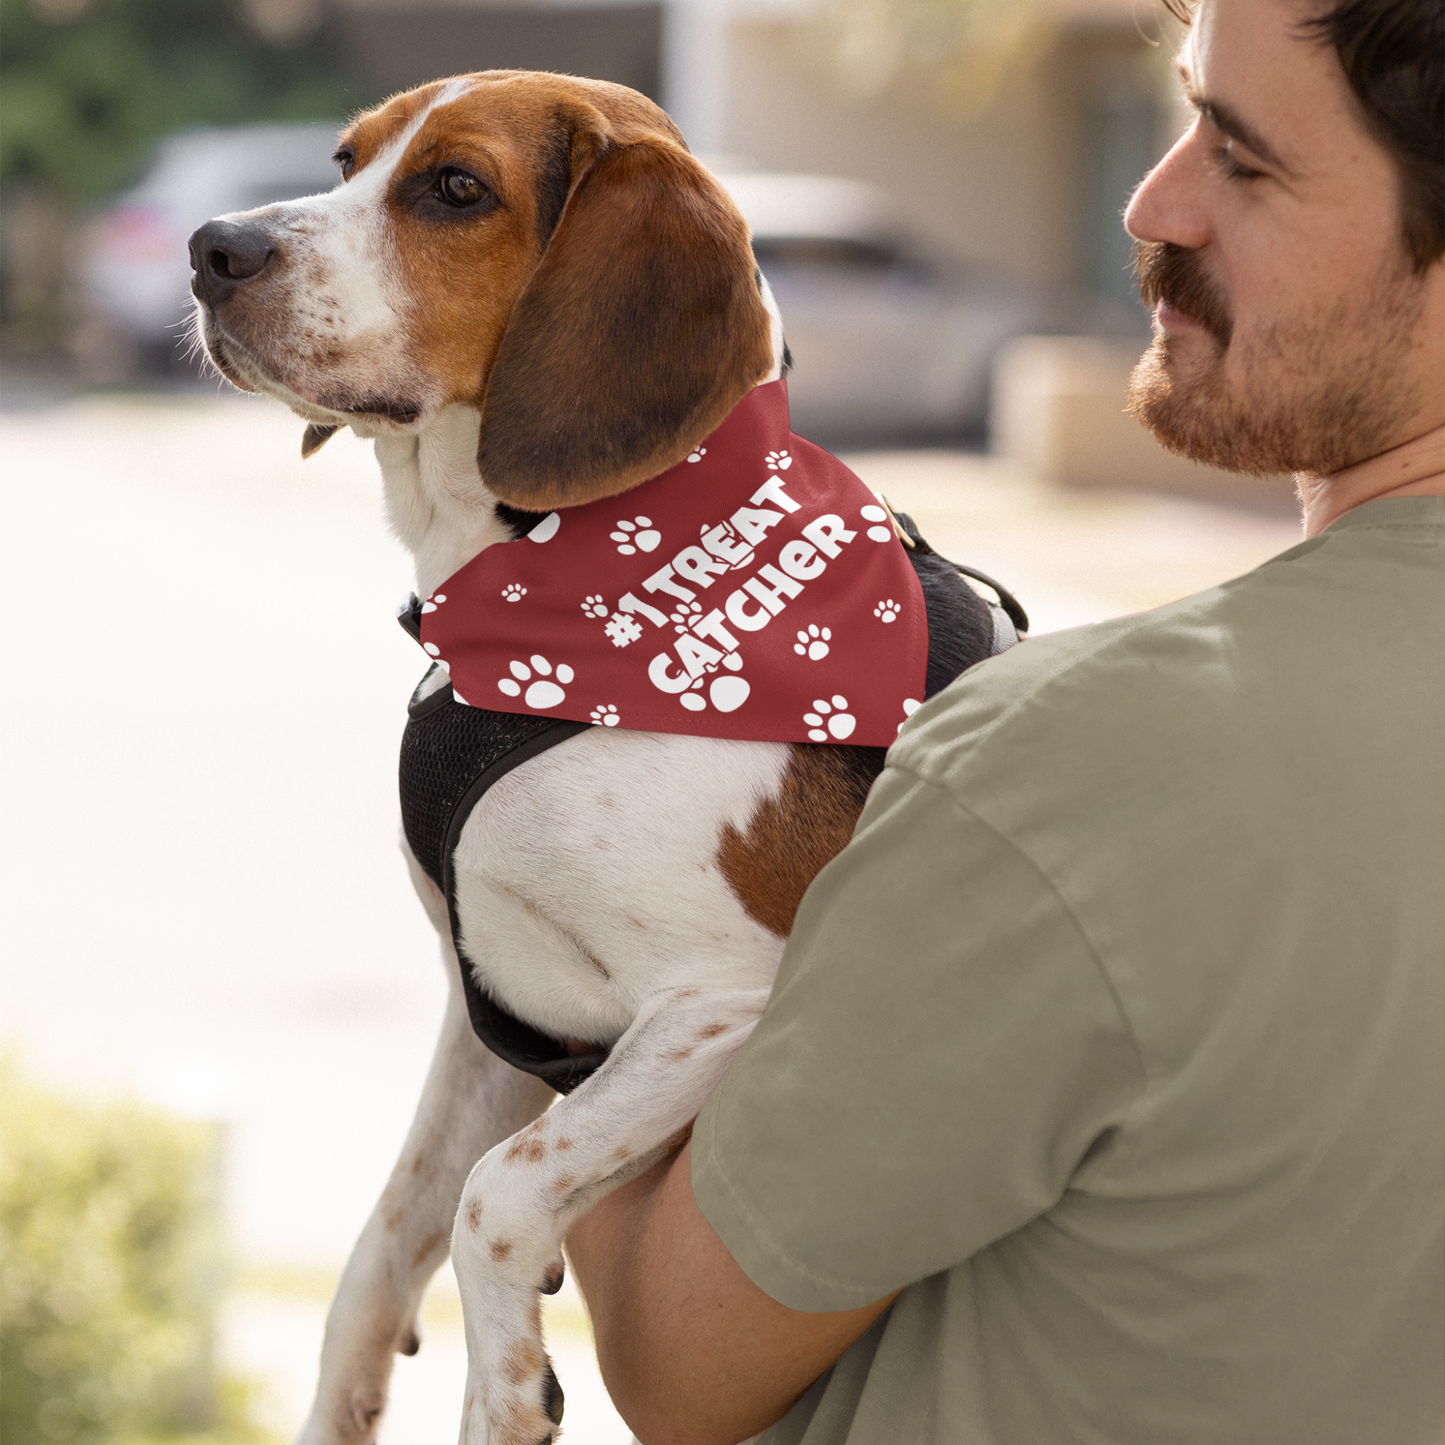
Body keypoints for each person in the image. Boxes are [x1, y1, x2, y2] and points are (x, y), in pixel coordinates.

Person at [565, 0, 1445, 1439]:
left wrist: (566, 861)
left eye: (1242, 154)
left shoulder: (1088, 765)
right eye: (1182, 113)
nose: (1153, 199)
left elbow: (675, 1361)